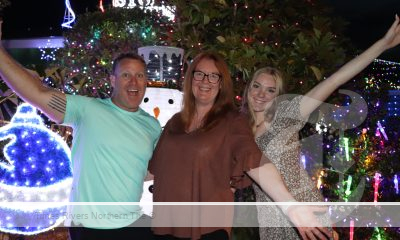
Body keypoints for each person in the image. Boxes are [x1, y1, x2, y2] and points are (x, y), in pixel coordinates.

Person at [240, 15, 400, 240]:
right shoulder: (239, 130)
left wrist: (382, 44)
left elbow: (335, 80)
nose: (260, 94)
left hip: (307, 212)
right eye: (256, 86)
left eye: (270, 90)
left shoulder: (287, 116)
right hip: (271, 222)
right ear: (248, 88)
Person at [0, 21, 161, 240]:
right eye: (125, 75)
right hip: (89, 226)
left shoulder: (151, 125)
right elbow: (37, 93)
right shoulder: (87, 109)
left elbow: (150, 169)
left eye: (140, 76)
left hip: (132, 223)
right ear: (112, 80)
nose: (134, 82)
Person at [148, 52, 332, 240]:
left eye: (213, 76)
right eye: (199, 74)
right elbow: (154, 169)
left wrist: (290, 205)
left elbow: (252, 160)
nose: (205, 81)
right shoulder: (175, 122)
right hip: (166, 225)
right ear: (190, 78)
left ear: (221, 84)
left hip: (207, 228)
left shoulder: (232, 121)